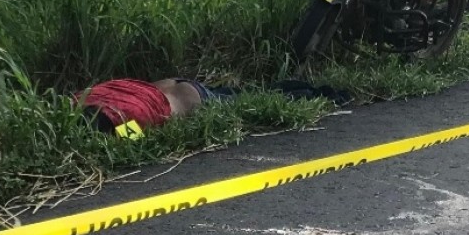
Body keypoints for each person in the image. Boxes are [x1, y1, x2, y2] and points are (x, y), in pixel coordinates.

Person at [76, 76, 350, 135]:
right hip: (171, 84)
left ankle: (317, 94)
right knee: (255, 90)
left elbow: (142, 137)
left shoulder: (127, 119)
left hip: (193, 99)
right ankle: (309, 87)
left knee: (257, 98)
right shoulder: (81, 97)